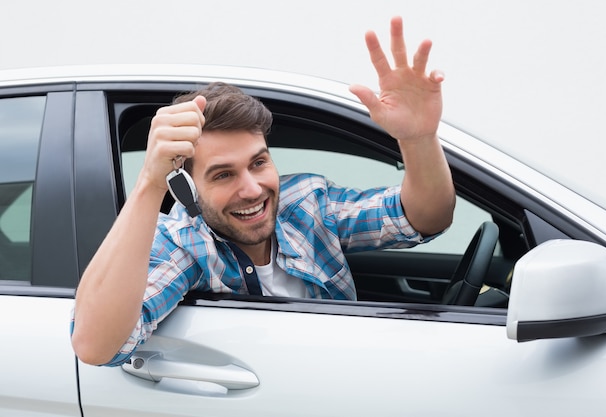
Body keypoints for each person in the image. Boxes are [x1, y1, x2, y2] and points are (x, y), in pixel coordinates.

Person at [71, 16, 455, 366]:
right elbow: (96, 347)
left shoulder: (307, 203)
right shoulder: (185, 243)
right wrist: (149, 183)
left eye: (258, 163)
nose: (252, 189)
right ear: (187, 188)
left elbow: (422, 217)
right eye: (223, 175)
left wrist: (419, 139)